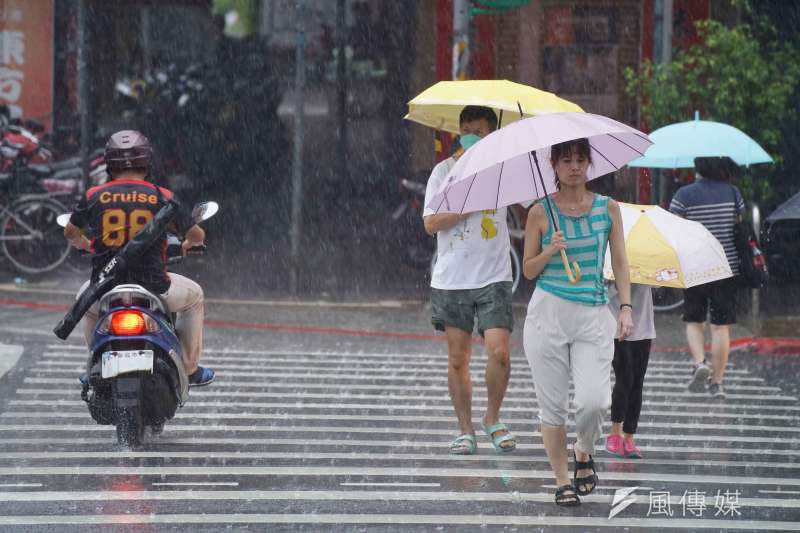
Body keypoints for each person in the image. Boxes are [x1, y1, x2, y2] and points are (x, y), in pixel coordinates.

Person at [522, 138, 632, 506]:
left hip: (594, 313)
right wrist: (550, 249)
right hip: (547, 314)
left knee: (594, 401)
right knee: (552, 407)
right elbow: (528, 270)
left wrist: (627, 306)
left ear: (590, 164)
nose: (573, 167)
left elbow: (619, 260)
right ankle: (561, 480)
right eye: (565, 160)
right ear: (552, 165)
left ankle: (584, 450)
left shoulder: (608, 208)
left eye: (580, 160)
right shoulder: (539, 213)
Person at [63, 130, 215, 387]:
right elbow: (197, 234)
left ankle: (94, 366)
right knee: (195, 297)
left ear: (109, 164)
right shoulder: (163, 197)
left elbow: (70, 233)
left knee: (85, 301)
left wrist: (87, 244)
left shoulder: (93, 196)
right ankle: (190, 368)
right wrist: (190, 243)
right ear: (147, 162)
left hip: (105, 286)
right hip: (154, 285)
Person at [422, 105, 516, 455]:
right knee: (458, 359)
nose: (470, 134)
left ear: (493, 133)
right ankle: (466, 430)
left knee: (500, 353)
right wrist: (465, 205)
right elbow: (430, 223)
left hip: (494, 277)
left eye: (477, 128)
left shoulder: (504, 173)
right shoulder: (443, 172)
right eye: (465, 128)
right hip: (452, 279)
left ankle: (492, 417)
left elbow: (534, 200)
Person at [669, 156, 745, 400]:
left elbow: (673, 228)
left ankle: (700, 361)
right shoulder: (733, 193)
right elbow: (739, 226)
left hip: (695, 265)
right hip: (726, 266)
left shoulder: (684, 194)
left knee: (694, 320)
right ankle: (717, 382)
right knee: (721, 326)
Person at [605, 283, 655, 459]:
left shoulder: (646, 257)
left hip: (643, 325)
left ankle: (629, 436)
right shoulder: (611, 260)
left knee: (637, 382)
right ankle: (615, 432)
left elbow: (656, 283)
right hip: (616, 325)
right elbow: (603, 289)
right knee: (624, 378)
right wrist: (619, 285)